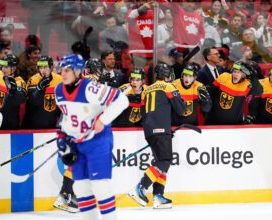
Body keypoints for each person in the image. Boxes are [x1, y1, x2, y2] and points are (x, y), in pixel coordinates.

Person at [55, 54, 129, 220]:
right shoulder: (58, 90)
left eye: (67, 70)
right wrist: (62, 139)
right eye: (62, 70)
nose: (63, 73)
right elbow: (66, 118)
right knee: (81, 187)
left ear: (78, 71)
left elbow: (122, 100)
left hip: (98, 141)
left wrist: (103, 120)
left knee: (100, 186)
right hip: (77, 143)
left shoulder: (90, 88)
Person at [128, 63, 186, 209]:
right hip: (160, 129)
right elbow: (181, 110)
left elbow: (143, 112)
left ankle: (158, 196)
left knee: (162, 162)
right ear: (167, 76)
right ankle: (140, 187)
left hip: (149, 130)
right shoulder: (168, 87)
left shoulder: (146, 91)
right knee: (164, 161)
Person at [205, 61, 263, 125]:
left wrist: (253, 76)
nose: (235, 74)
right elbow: (211, 90)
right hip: (215, 121)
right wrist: (204, 90)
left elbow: (259, 92)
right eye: (234, 71)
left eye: (238, 72)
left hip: (234, 124)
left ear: (243, 75)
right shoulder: (223, 76)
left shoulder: (247, 84)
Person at [22, 55, 62, 129]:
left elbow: (63, 104)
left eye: (45, 67)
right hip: (32, 125)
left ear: (51, 67)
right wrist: (39, 89)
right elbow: (33, 101)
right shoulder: (33, 80)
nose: (43, 70)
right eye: (40, 67)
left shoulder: (59, 80)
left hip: (50, 124)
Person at [0, 54, 26, 130]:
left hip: (10, 123)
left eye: (6, 67)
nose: (3, 69)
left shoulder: (20, 81)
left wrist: (14, 91)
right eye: (2, 66)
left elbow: (21, 100)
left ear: (14, 68)